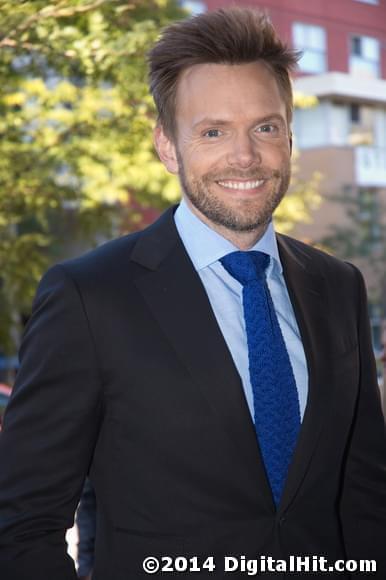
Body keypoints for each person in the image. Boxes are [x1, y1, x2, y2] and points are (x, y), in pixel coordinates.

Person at [0, 7, 385, 580]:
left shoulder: (338, 287)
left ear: (288, 135)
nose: (245, 156)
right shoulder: (90, 297)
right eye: (212, 131)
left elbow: (364, 496)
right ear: (168, 147)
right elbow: (24, 524)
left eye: (265, 126)